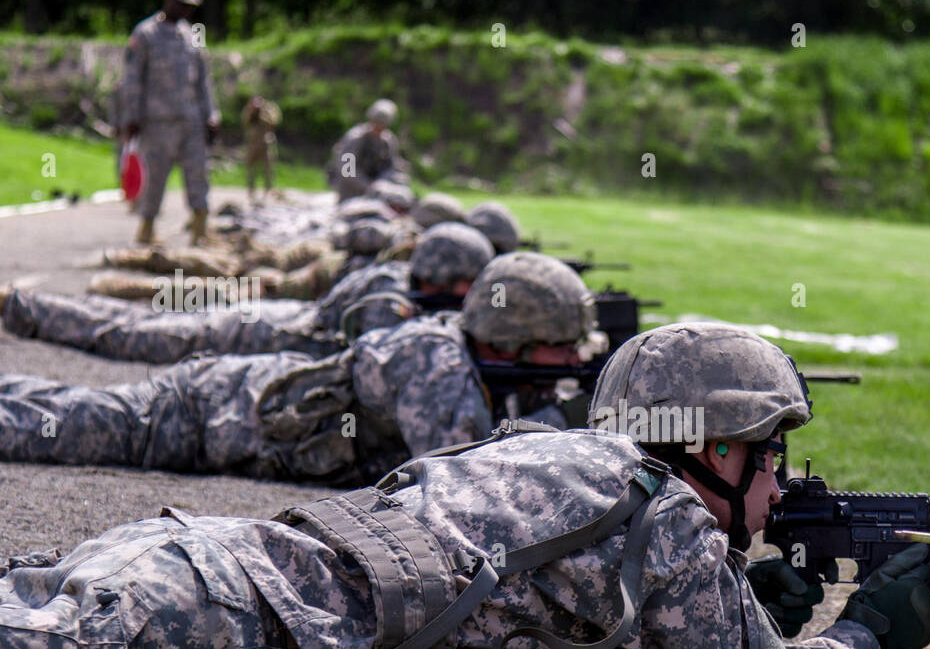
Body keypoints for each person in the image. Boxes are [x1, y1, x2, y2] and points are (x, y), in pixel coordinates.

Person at [0, 321, 930, 649]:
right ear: (711, 446)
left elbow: (533, 631)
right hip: (222, 629)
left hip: (206, 574)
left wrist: (740, 612)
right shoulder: (671, 519)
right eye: (769, 455)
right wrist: (866, 638)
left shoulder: (558, 454)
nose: (780, 482)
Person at [0, 252, 590, 485]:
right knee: (62, 423)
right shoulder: (437, 363)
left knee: (65, 406)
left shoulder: (473, 364)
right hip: (208, 413)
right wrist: (559, 419)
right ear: (515, 339)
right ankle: (21, 307)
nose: (573, 359)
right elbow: (464, 476)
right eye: (562, 346)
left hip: (229, 416)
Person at [1, 223, 495, 364]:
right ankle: (21, 304)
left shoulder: (393, 283)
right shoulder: (389, 298)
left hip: (271, 319)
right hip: (255, 329)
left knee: (159, 316)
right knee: (133, 332)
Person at [120, 0, 221, 246]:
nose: (186, 9)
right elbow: (132, 80)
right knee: (155, 177)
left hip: (192, 119)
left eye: (190, 6)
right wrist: (132, 117)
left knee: (198, 173)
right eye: (181, 3)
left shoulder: (192, 35)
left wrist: (211, 115)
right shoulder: (145, 33)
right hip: (157, 121)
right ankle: (147, 227)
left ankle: (199, 228)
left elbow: (202, 81)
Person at [328, 100, 409, 202]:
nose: (379, 126)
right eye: (377, 122)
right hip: (352, 188)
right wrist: (367, 185)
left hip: (377, 186)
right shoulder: (355, 137)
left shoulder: (388, 141)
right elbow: (346, 170)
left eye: (383, 123)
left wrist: (380, 183)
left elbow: (393, 167)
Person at [241, 96, 281, 203]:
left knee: (268, 170)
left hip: (266, 144)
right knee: (251, 170)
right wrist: (251, 111)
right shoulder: (249, 111)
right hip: (253, 144)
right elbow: (245, 122)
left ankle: (267, 192)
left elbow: (273, 121)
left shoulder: (269, 110)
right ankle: (251, 193)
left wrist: (262, 112)